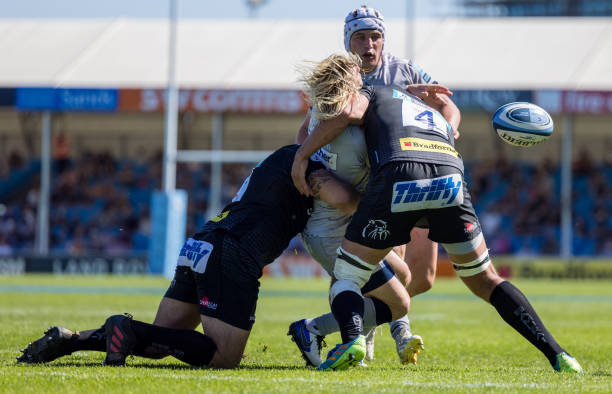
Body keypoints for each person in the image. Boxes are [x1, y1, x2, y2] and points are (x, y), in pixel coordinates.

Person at [291, 53, 583, 373]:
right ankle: (560, 356)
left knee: (347, 275)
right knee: (486, 279)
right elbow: (450, 118)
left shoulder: (371, 93)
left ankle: (351, 341)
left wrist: (301, 156)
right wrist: (432, 104)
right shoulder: (415, 102)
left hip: (401, 173)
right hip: (450, 174)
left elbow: (348, 111)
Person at [290, 5, 459, 366]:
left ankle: (361, 323)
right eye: (360, 38)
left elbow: (448, 106)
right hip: (369, 188)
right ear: (347, 42)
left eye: (375, 37)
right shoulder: (340, 80)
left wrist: (448, 131)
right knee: (368, 267)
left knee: (421, 278)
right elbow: (309, 129)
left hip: (406, 174)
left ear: (384, 39)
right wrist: (301, 157)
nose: (369, 45)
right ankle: (384, 334)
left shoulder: (405, 71)